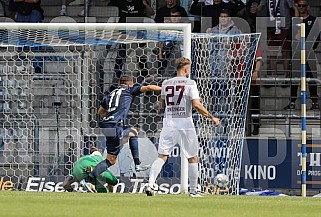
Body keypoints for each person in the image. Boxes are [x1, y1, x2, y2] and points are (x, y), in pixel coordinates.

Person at [146, 57, 220, 197]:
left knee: (162, 156)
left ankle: (150, 185)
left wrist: (161, 107)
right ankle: (193, 191)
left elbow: (161, 103)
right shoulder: (190, 83)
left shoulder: (166, 83)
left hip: (169, 123)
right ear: (186, 69)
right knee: (192, 157)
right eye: (189, 69)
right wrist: (211, 117)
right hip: (185, 124)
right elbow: (196, 105)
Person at [80, 75, 161, 193]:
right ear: (129, 84)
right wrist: (164, 89)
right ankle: (137, 164)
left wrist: (110, 118)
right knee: (131, 136)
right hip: (116, 125)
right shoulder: (129, 89)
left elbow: (100, 111)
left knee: (115, 155)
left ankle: (88, 180)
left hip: (106, 125)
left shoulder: (111, 94)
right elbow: (148, 87)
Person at [283, 0, 319, 110]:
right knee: (295, 79)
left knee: (311, 78)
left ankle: (314, 102)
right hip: (297, 53)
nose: (301, 8)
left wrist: (310, 47)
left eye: (303, 6)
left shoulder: (313, 20)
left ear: (308, 7)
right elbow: (289, 37)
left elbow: (317, 37)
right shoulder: (295, 21)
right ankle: (292, 101)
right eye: (299, 6)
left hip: (309, 53)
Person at [108, 0, 154, 81]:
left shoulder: (140, 1)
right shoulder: (119, 2)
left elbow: (152, 13)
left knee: (141, 59)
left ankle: (145, 82)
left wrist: (145, 4)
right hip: (124, 33)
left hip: (138, 33)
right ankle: (114, 83)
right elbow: (107, 6)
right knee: (120, 58)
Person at [255, 0, 298, 80]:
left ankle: (286, 76)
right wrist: (255, 9)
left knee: (285, 52)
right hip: (271, 27)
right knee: (272, 53)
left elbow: (294, 8)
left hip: (285, 27)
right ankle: (273, 76)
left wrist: (295, 23)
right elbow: (259, 8)